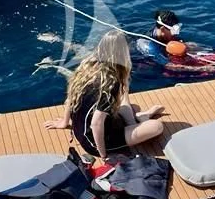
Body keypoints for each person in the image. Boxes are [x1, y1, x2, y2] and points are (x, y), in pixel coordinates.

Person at [45, 30, 165, 159]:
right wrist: (103, 153)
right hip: (95, 142)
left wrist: (64, 122)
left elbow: (70, 97)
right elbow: (96, 123)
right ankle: (142, 119)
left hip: (80, 129)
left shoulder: (88, 65)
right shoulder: (110, 83)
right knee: (156, 126)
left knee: (128, 106)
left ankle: (138, 120)